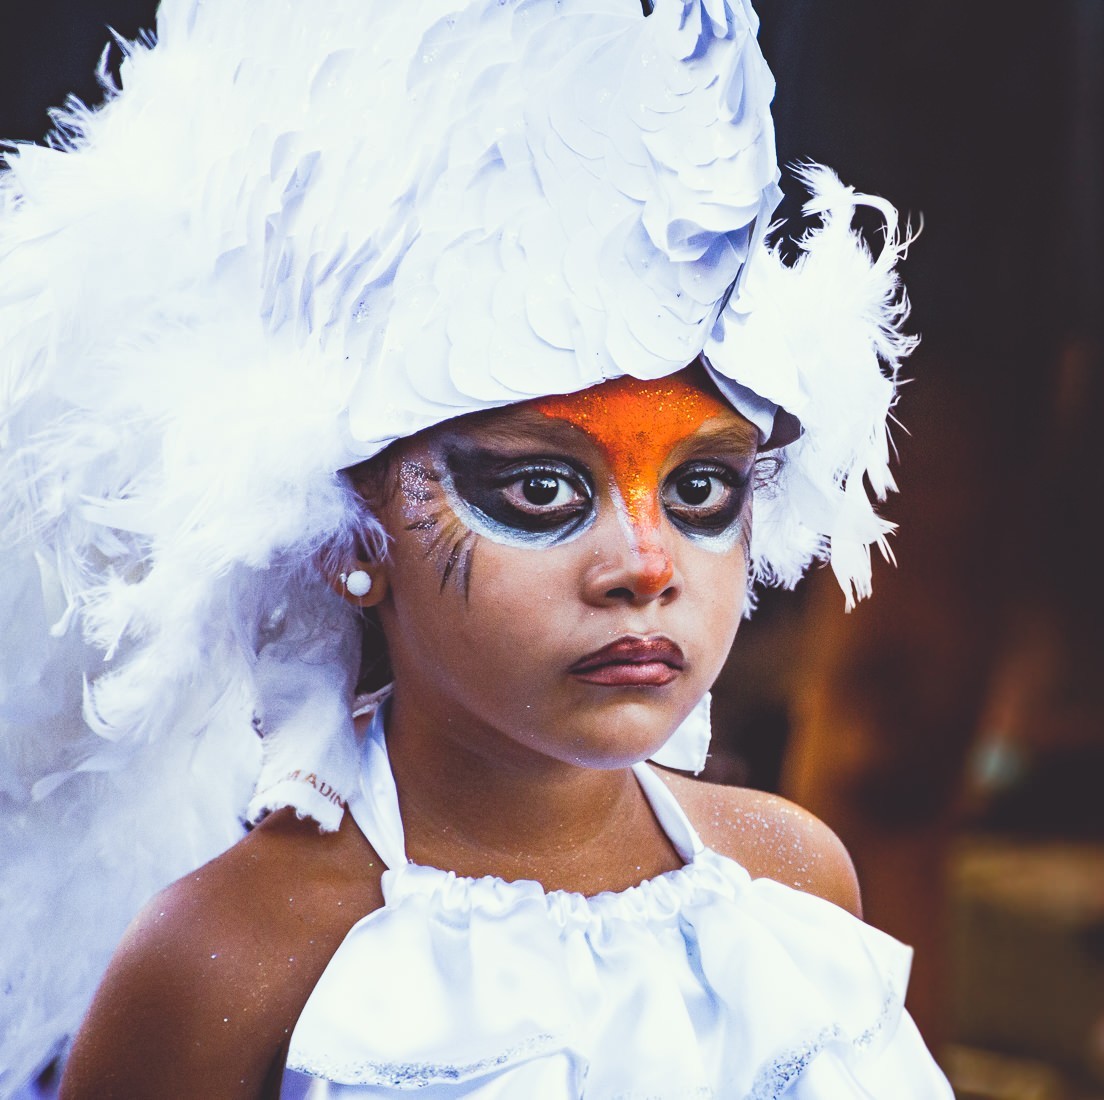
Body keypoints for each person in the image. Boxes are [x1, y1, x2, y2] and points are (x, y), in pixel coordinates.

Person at [0, 0, 952, 1096]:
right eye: (542, 487)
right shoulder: (229, 957)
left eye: (700, 487)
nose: (646, 563)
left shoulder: (794, 885)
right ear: (350, 530)